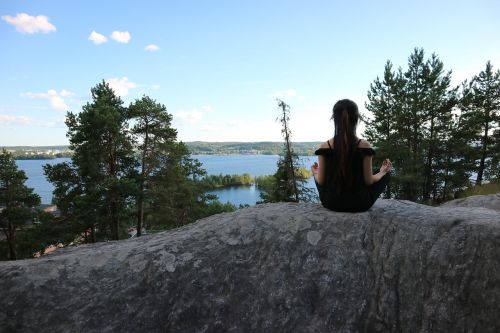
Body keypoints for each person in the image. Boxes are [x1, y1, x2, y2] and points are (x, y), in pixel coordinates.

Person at [311, 99, 392, 212]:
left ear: (334, 119)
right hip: (360, 204)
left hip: (331, 203)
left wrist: (315, 172)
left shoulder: (325, 146)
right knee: (386, 174)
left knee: (320, 174)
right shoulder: (364, 146)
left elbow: (321, 181)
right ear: (357, 119)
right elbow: (369, 181)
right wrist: (383, 172)